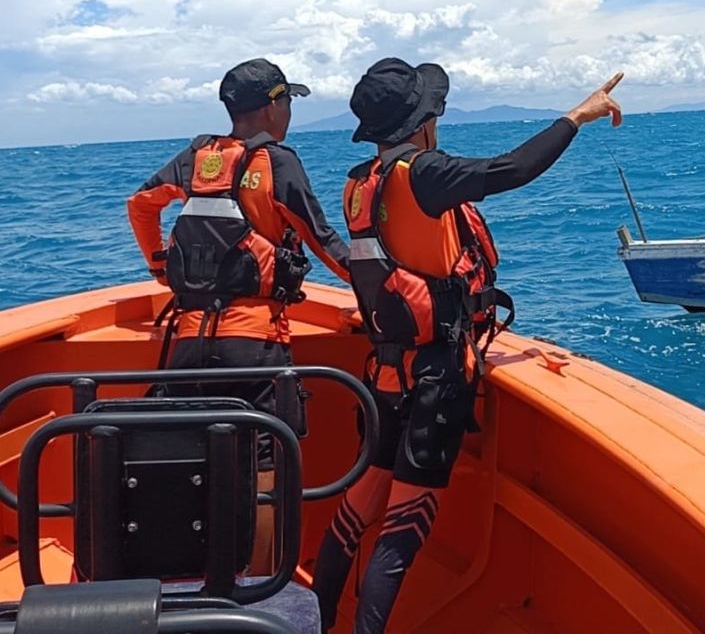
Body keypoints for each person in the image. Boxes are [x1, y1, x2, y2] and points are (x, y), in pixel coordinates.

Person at [311, 58, 623, 634]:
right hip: (433, 379)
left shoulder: (360, 182)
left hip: (385, 372)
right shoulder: (423, 173)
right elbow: (515, 168)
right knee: (403, 527)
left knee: (359, 505)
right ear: (424, 121)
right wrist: (579, 115)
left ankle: (318, 617)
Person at [127, 58, 351, 559]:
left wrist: (160, 265)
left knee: (193, 454)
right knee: (266, 464)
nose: (289, 111)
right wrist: (377, 287)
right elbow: (324, 240)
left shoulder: (198, 156)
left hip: (188, 345)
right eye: (288, 100)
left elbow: (141, 203)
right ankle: (261, 578)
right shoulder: (278, 161)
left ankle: (194, 567)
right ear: (272, 106)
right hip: (256, 346)